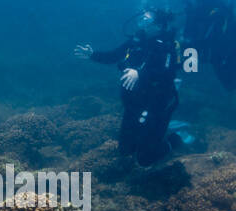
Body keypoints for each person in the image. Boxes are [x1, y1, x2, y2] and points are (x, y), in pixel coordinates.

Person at [75, 9, 183, 166]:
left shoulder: (166, 45)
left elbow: (167, 73)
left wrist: (141, 74)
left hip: (158, 104)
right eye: (142, 20)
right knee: (125, 150)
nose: (142, 24)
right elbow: (114, 55)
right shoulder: (136, 41)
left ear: (158, 25)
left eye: (147, 21)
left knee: (145, 160)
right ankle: (153, 133)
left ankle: (175, 139)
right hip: (135, 103)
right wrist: (93, 55)